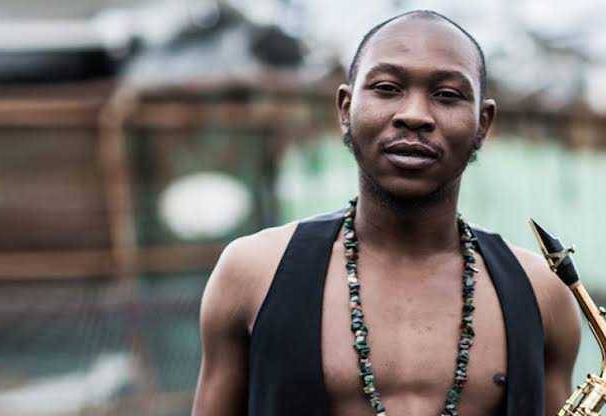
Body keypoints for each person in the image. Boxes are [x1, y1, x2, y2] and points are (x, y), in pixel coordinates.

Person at [192, 9, 581, 416]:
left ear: (483, 124)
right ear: (345, 108)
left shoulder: (542, 293)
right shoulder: (251, 275)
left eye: (447, 95)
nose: (414, 115)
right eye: (387, 88)